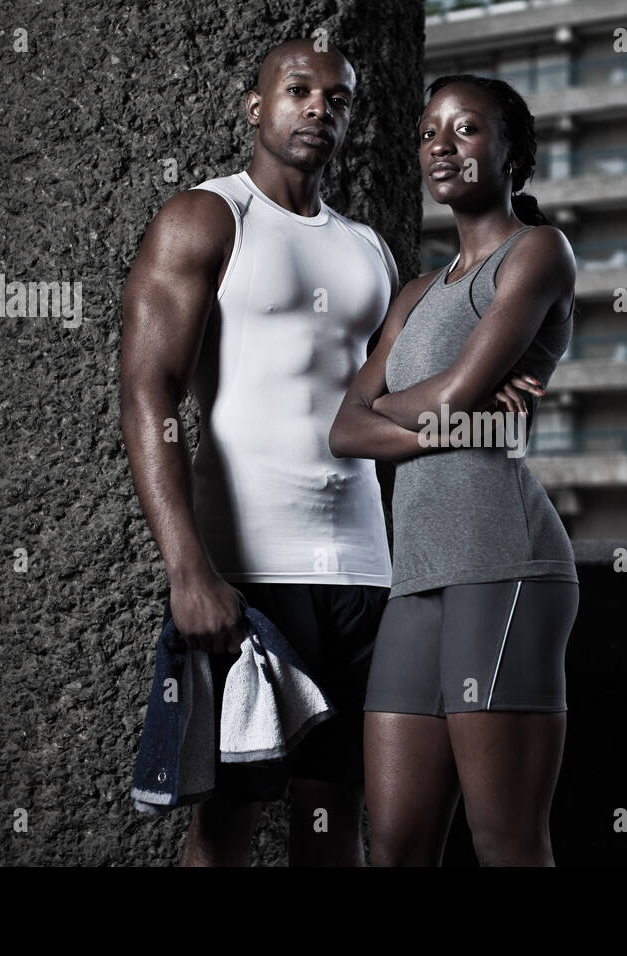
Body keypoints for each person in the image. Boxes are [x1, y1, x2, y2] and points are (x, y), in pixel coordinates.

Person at [119, 38, 399, 867]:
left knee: (335, 819)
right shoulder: (206, 216)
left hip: (363, 573)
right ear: (256, 106)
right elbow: (149, 394)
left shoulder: (369, 250)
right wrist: (187, 570)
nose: (320, 108)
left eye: (338, 99)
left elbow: (381, 410)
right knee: (224, 826)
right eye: (299, 90)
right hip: (247, 573)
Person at [329, 74, 579, 866]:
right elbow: (343, 428)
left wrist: (415, 406)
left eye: (466, 130)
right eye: (429, 130)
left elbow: (457, 390)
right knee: (395, 845)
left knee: (503, 840)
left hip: (503, 559)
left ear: (511, 155)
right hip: (419, 576)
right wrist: (445, 424)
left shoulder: (536, 252)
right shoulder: (414, 293)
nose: (442, 145)